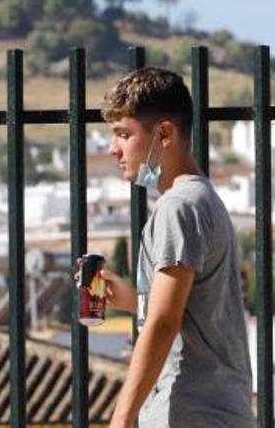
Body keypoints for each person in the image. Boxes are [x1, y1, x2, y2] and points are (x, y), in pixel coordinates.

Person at [93, 67, 254, 428]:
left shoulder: (178, 207)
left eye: (123, 134)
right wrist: (131, 300)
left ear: (163, 133)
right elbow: (190, 310)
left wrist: (121, 417)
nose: (112, 148)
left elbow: (165, 322)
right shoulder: (201, 199)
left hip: (191, 412)